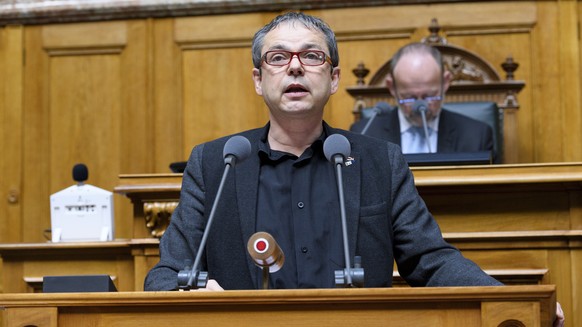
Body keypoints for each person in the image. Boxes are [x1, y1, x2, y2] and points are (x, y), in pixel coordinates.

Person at [144, 12, 564, 326]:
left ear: (334, 78)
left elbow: (430, 260)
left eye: (311, 56)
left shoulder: (379, 161)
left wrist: (517, 300)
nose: (294, 67)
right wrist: (198, 291)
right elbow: (164, 275)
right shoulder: (217, 164)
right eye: (277, 57)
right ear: (258, 79)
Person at [350, 42, 496, 160]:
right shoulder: (364, 134)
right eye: (409, 97)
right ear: (392, 87)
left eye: (429, 96)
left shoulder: (476, 136)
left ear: (445, 82)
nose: (420, 106)